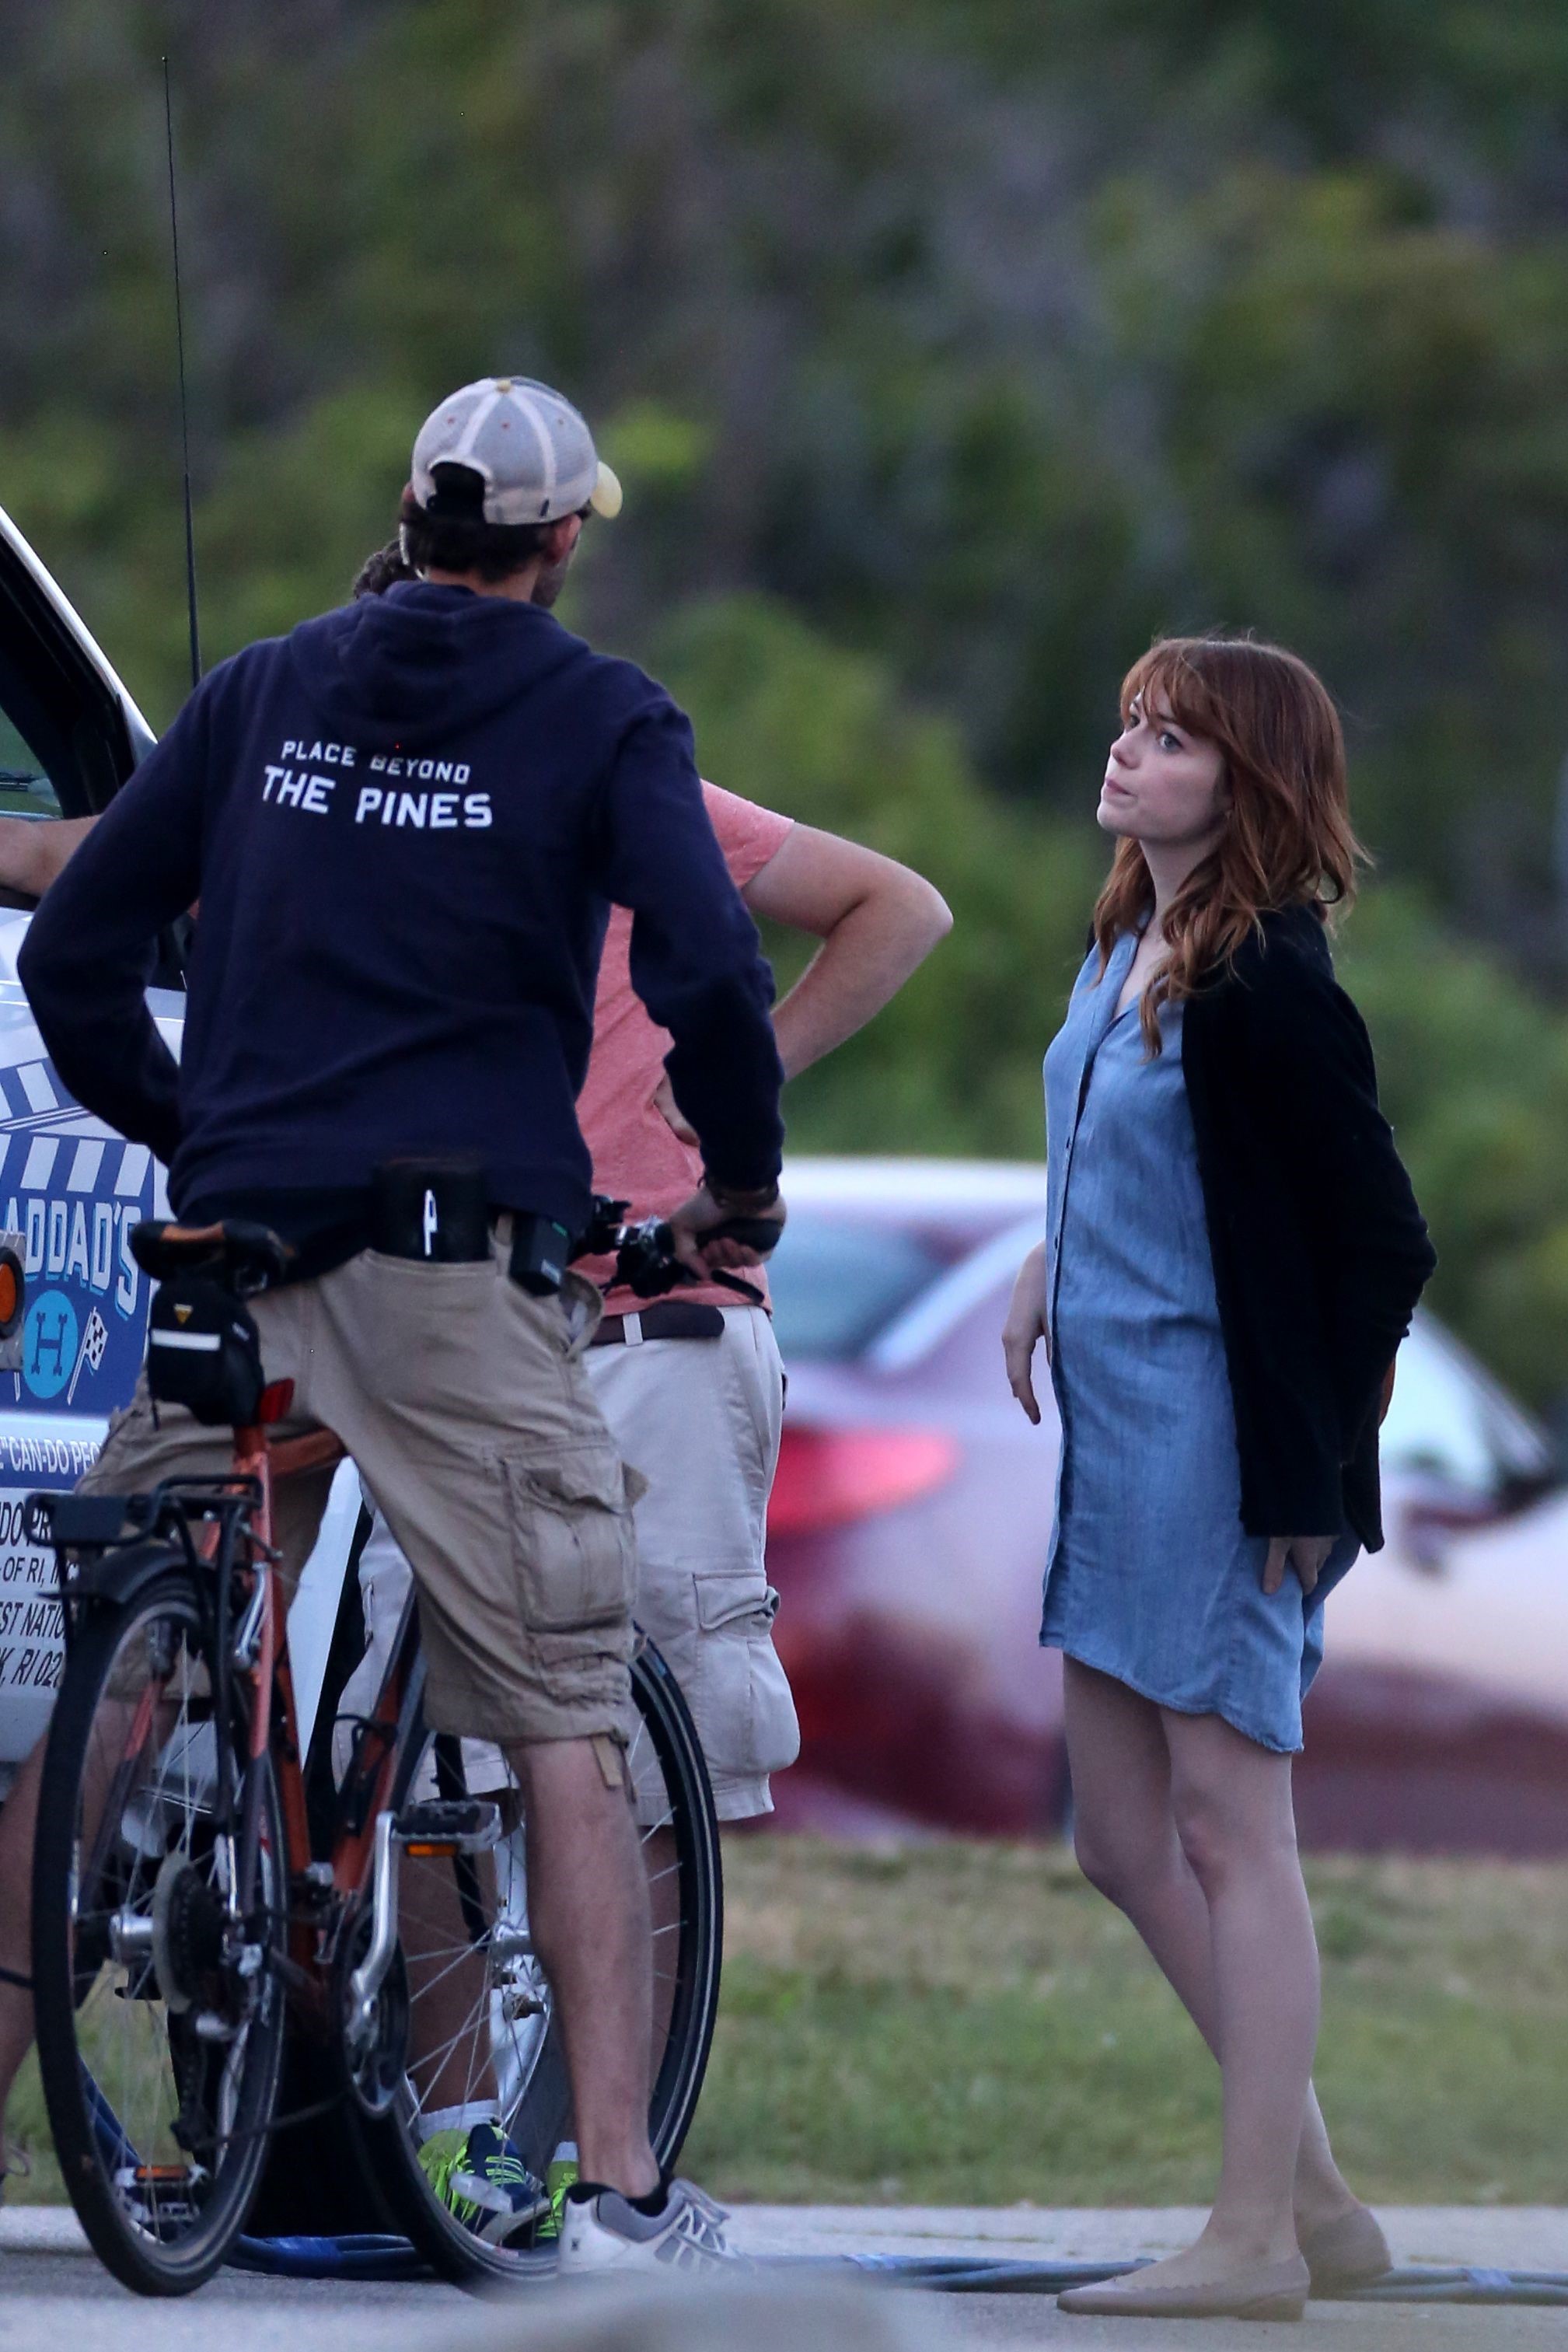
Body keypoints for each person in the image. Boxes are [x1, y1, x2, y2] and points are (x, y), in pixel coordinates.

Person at [0, 543, 953, 2246]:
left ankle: (471, 2132)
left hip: (323, 1263)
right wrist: (737, 1163)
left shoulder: (278, 726)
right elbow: (716, 966)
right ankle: (596, 2179)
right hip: (467, 1288)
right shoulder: (575, 729)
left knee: (129, 1696)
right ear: (550, 556)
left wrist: (187, 1126)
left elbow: (82, 905)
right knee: (559, 1714)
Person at [1001, 636, 1435, 2322]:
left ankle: (1254, 2237)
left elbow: (1380, 1241)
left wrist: (1308, 1472)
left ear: (1246, 783)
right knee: (1121, 1837)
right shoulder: (1131, 939)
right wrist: (1048, 1259)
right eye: (1130, 724)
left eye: (1171, 738)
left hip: (1215, 1453)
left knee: (1230, 1830)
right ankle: (1319, 2203)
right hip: (1113, 1443)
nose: (1128, 752)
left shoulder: (1266, 979)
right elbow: (1144, 1162)